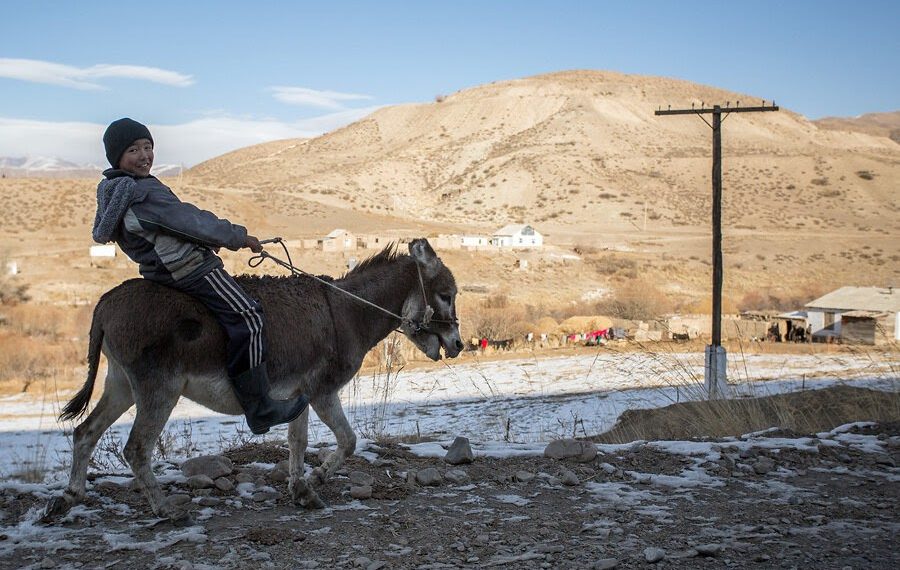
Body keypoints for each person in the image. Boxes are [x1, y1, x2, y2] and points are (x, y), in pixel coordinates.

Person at [92, 118, 307, 435]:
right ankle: (261, 407)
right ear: (117, 158)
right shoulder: (141, 194)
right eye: (133, 149)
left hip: (160, 271)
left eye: (148, 147)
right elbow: (190, 222)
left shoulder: (123, 192)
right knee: (248, 315)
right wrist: (236, 237)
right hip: (189, 268)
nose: (144, 155)